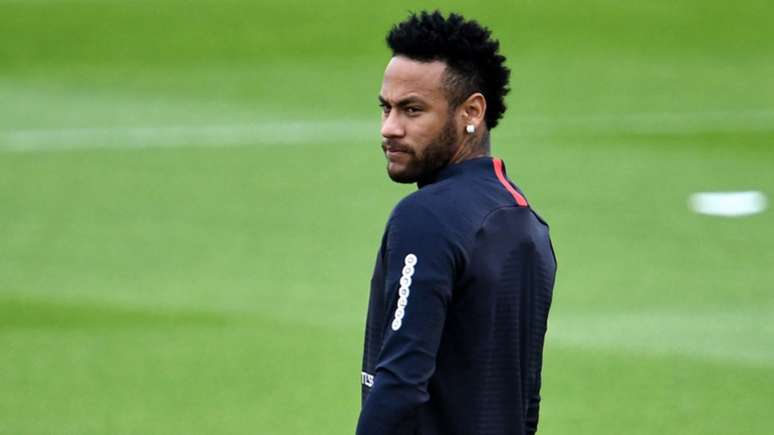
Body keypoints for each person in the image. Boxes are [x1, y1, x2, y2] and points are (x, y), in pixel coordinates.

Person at [356, 10, 557, 435]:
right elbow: (527, 401)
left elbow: (400, 383)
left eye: (412, 110)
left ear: (472, 111)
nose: (390, 128)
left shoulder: (425, 217)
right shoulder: (527, 222)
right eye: (385, 108)